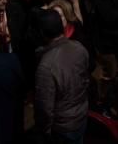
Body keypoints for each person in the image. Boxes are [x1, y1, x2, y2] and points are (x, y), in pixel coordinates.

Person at [34, 9, 90, 143]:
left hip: (62, 127)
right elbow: (86, 81)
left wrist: (45, 131)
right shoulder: (79, 48)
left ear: (41, 33)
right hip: (81, 116)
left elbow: (44, 108)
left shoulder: (46, 66)